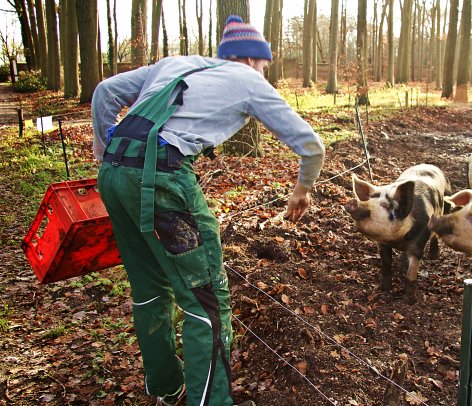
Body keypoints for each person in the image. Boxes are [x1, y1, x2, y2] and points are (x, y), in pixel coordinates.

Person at [91, 15, 325, 406]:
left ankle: (167, 387)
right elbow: (312, 145)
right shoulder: (249, 80)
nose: (265, 72)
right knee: (206, 299)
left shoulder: (174, 62)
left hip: (114, 176)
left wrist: (103, 155)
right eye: (265, 65)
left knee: (149, 289)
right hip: (162, 179)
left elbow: (104, 92)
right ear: (251, 60)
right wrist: (301, 191)